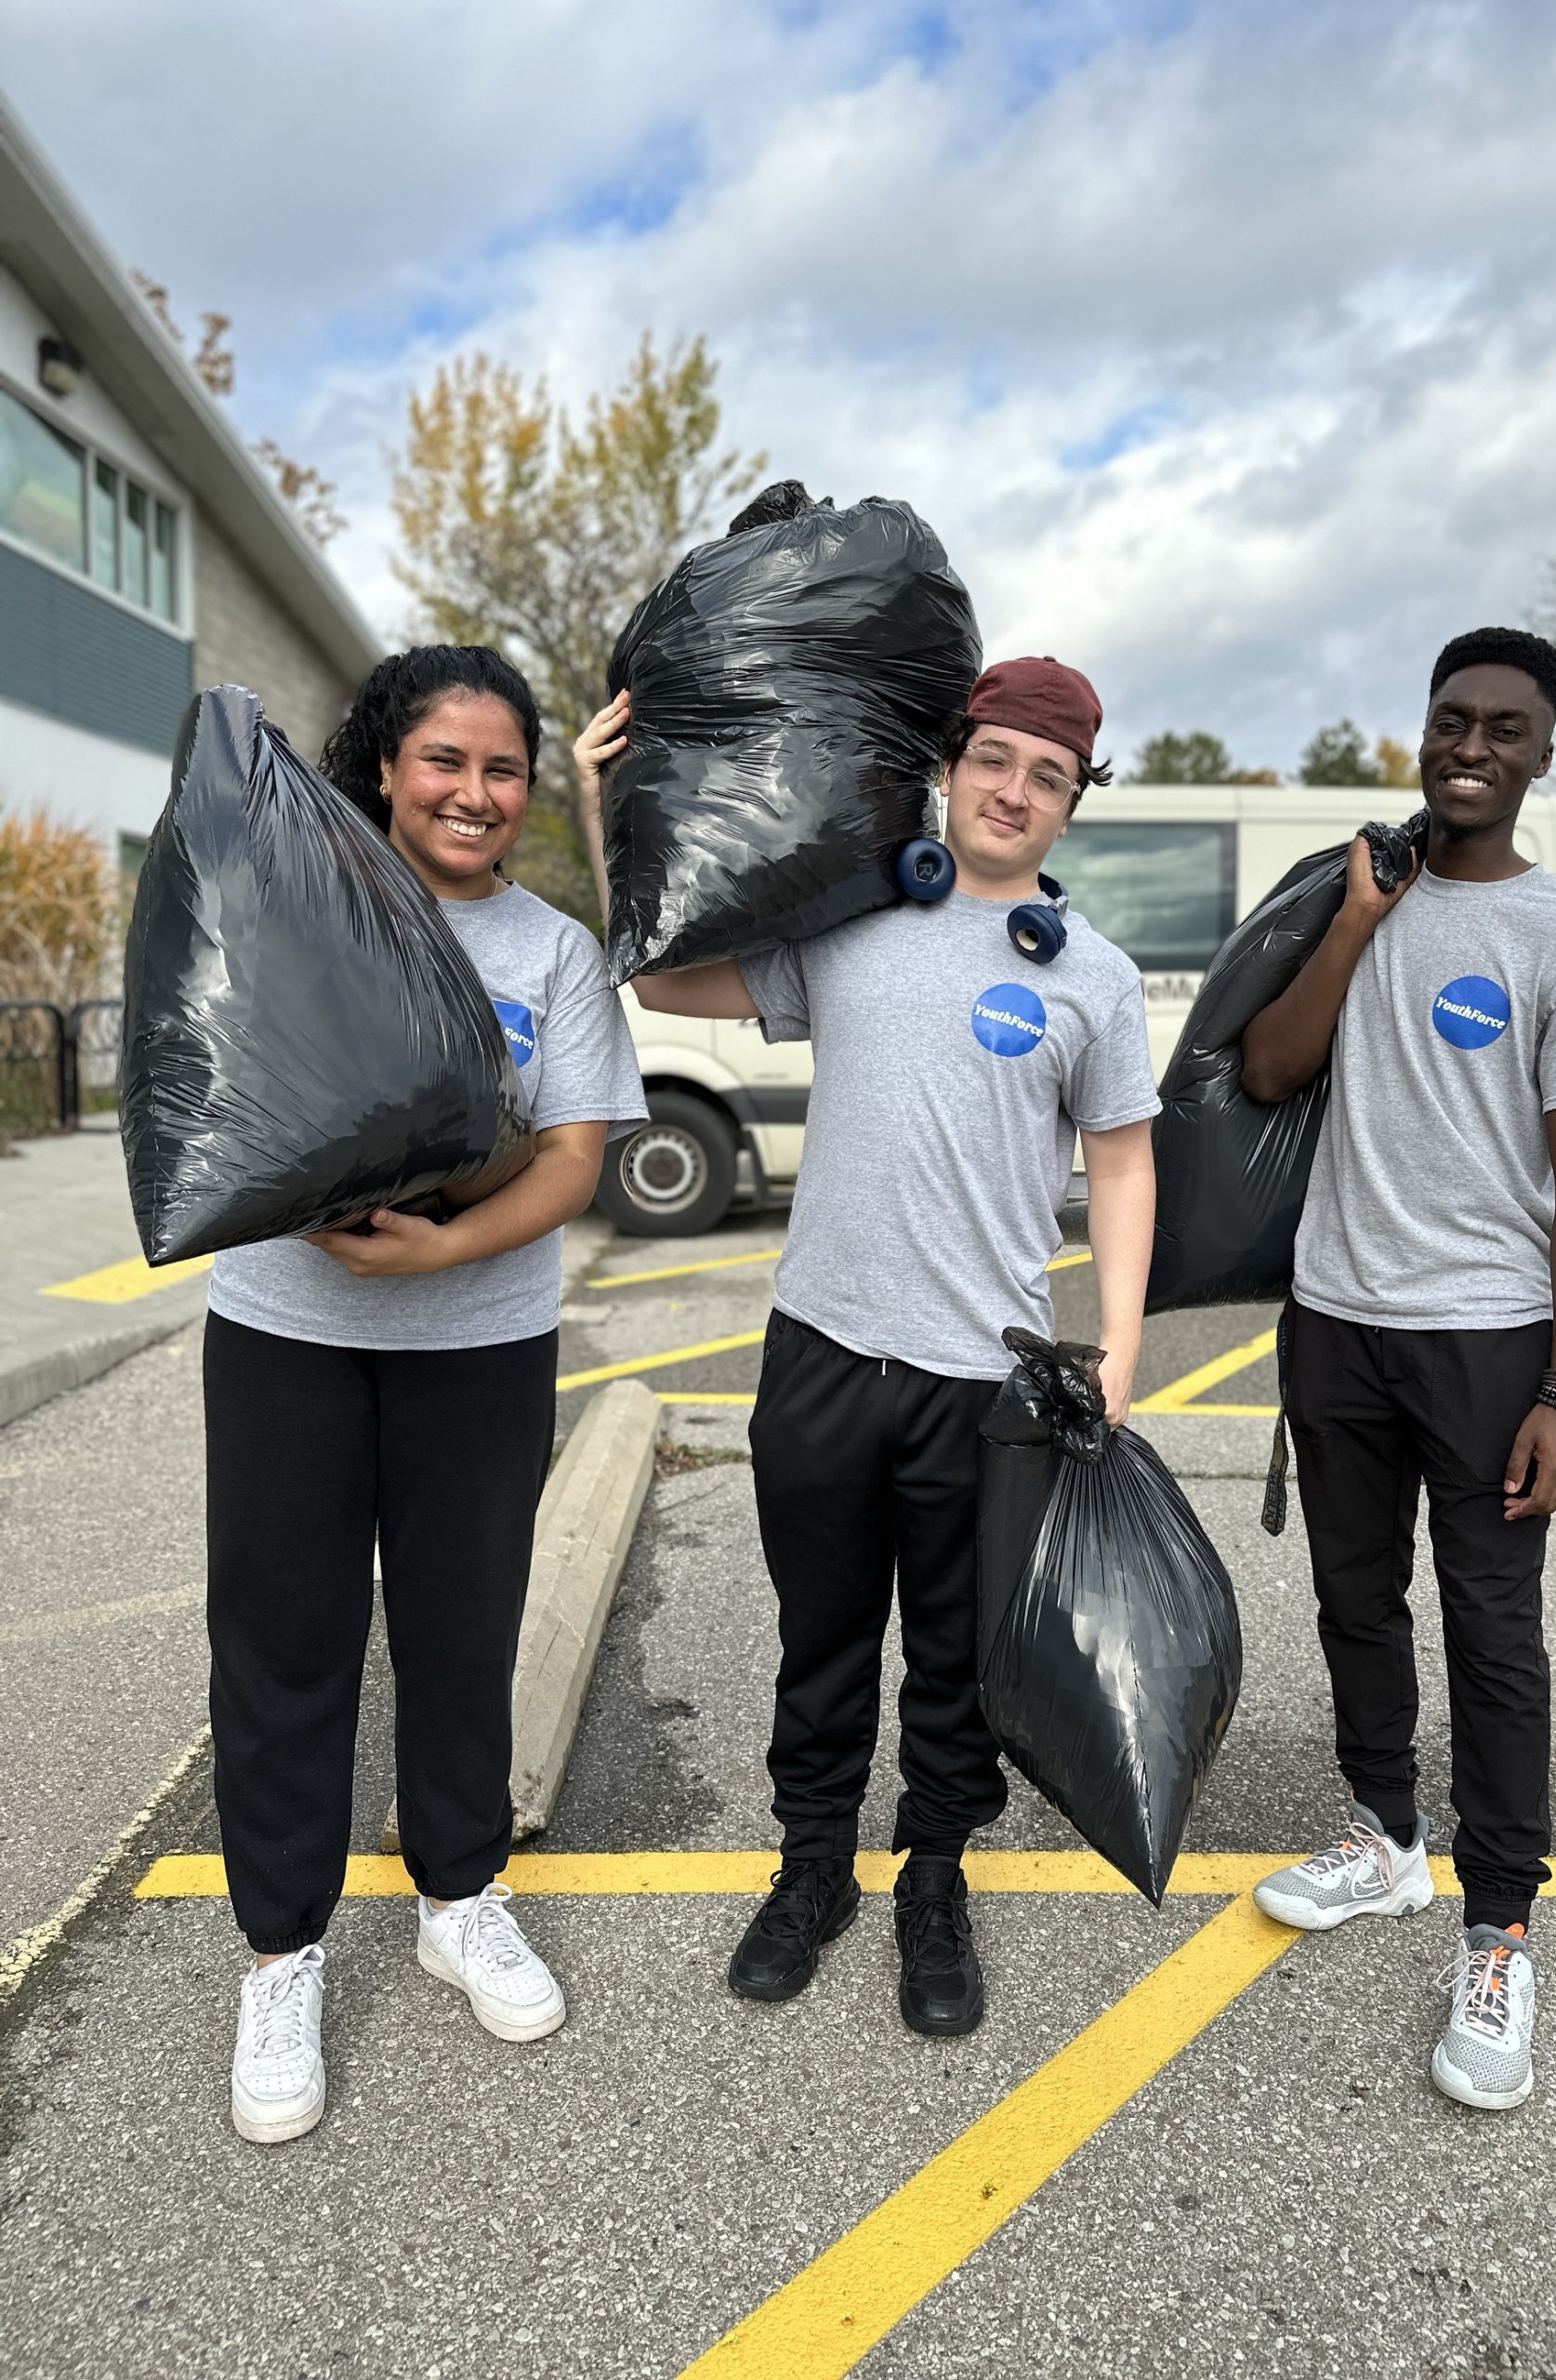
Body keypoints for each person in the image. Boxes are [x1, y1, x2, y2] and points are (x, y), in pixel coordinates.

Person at [574, 657, 1160, 2035]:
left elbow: (1125, 1165)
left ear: (1073, 805)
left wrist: (1118, 1347)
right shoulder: (850, 918)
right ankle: (815, 1869)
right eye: (999, 759)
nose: (1016, 791)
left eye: (1050, 776)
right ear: (953, 763)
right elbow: (665, 982)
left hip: (988, 1375)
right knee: (821, 1635)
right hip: (824, 1352)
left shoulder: (1093, 978)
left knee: (955, 1661)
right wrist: (611, 805)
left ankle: (935, 1878)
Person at [206, 645, 646, 2144]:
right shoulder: (293, 911)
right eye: (444, 761)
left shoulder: (554, 954)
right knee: (285, 1644)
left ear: (530, 787)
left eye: (503, 768)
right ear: (385, 767)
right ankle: (283, 1952)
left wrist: (443, 1248)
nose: (474, 793)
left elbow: (578, 1157)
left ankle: (461, 1896)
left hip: (481, 1346)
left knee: (464, 1635)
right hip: (281, 1330)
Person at [1244, 627, 1556, 2110]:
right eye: (1449, 720)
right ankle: (1383, 1840)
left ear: (1542, 752)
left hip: (1489, 1344)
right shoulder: (1364, 898)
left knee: (1493, 1638)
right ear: (1420, 734)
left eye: (1503, 726)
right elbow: (1269, 1071)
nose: (1470, 745)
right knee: (1354, 1597)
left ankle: (1500, 1928)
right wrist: (1357, 928)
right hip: (1336, 1321)